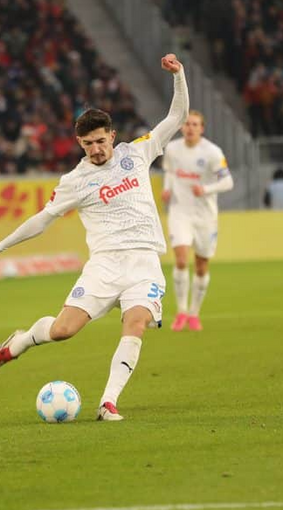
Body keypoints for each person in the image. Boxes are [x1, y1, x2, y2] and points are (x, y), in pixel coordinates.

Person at [0, 54, 189, 421]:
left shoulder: (137, 152)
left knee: (136, 322)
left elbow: (176, 117)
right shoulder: (75, 181)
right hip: (104, 265)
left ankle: (108, 402)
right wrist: (2, 245)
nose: (96, 149)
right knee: (62, 330)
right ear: (79, 143)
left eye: (101, 141)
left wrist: (178, 75)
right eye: (88, 144)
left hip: (143, 262)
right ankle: (21, 341)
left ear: (112, 136)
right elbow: (42, 220)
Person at [162, 110, 234, 332]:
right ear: (181, 127)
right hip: (180, 212)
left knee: (201, 266)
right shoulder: (172, 149)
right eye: (186, 124)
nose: (190, 128)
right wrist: (167, 189)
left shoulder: (212, 152)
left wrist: (205, 189)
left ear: (201, 128)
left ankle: (194, 313)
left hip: (205, 216)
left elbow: (227, 182)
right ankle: (181, 312)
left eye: (194, 124)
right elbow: (170, 172)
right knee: (181, 259)